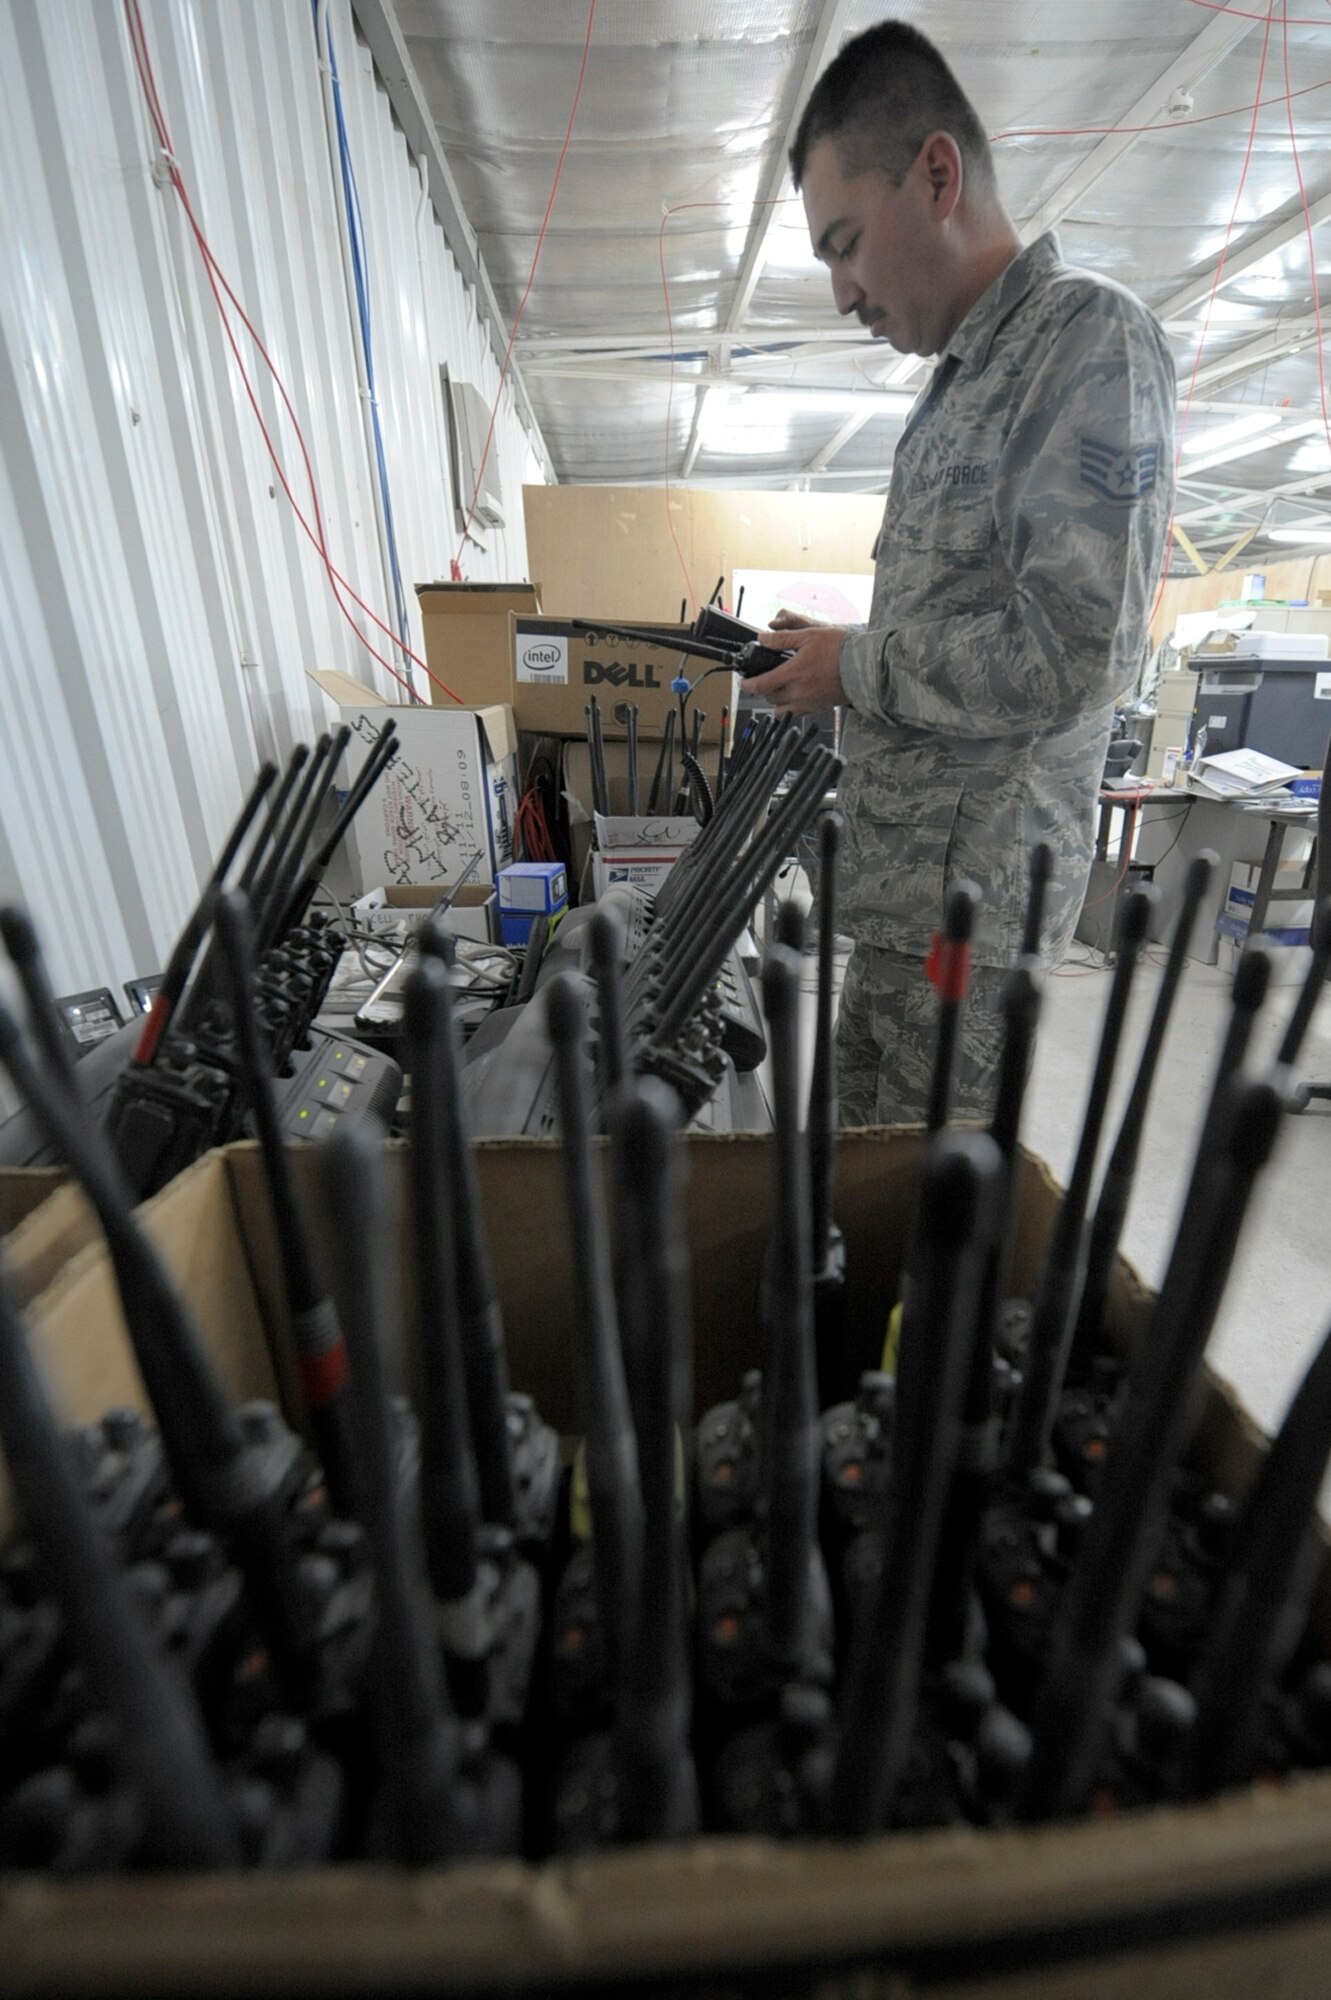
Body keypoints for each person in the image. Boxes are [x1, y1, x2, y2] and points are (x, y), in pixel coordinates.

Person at [744, 21, 1175, 1126]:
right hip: (903, 916)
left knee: (933, 1253)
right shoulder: (951, 387)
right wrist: (832, 654)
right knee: (856, 1217)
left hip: (968, 938)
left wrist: (861, 666)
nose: (841, 291)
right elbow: (956, 618)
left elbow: (1076, 652)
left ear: (934, 174)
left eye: (844, 243)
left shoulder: (1086, 342)